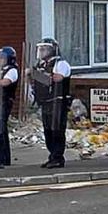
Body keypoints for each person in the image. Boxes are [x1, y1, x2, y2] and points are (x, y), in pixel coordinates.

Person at [30, 38, 72, 168]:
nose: (41, 52)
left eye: (44, 49)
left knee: (57, 130)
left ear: (52, 50)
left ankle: (58, 158)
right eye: (40, 49)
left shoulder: (61, 64)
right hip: (46, 102)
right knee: (47, 130)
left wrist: (36, 74)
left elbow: (57, 78)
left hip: (58, 102)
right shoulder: (41, 64)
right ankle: (52, 155)